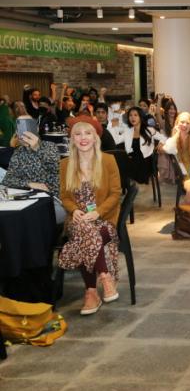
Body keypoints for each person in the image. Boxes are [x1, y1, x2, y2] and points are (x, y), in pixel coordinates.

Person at [58, 121, 121, 315]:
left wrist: (98, 212)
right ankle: (106, 277)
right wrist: (74, 210)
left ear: (95, 138)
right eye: (78, 134)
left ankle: (91, 292)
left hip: (104, 220)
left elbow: (115, 193)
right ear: (72, 139)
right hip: (77, 221)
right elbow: (64, 196)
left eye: (87, 133)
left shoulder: (108, 160)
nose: (83, 138)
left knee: (84, 236)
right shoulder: (65, 164)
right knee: (84, 229)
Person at [1, 129, 64, 223]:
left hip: (52, 201)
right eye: (19, 130)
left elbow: (56, 168)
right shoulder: (19, 151)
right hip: (28, 201)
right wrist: (30, 184)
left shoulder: (49, 146)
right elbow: (7, 179)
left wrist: (37, 148)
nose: (23, 135)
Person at [110, 106, 166, 184]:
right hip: (131, 160)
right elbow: (116, 141)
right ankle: (128, 185)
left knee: (124, 170)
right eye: (130, 115)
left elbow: (163, 138)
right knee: (119, 161)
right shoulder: (128, 131)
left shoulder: (148, 130)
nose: (132, 117)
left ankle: (129, 185)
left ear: (140, 117)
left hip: (145, 162)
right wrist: (113, 127)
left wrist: (161, 144)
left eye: (135, 115)